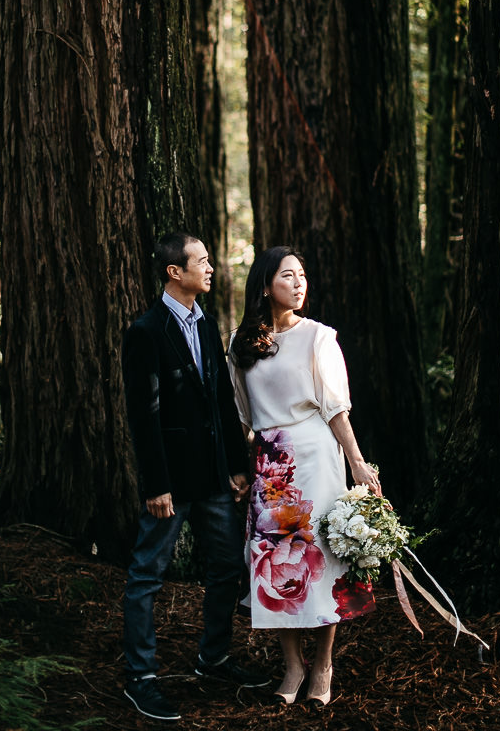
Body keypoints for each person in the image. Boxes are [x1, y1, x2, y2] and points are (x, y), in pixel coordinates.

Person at [122, 231, 269, 721]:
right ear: (174, 273)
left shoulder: (207, 325)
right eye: (201, 262)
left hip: (212, 479)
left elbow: (223, 404)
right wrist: (156, 485)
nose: (210, 268)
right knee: (147, 575)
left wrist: (236, 467)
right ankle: (141, 677)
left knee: (227, 566)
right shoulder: (145, 331)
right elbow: (144, 416)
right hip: (171, 485)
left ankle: (214, 657)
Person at [228, 246, 380, 708]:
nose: (299, 284)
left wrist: (357, 462)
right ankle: (292, 664)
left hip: (316, 457)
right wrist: (239, 465)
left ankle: (323, 663)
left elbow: (336, 407)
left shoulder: (318, 337)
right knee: (274, 564)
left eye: (302, 275)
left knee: (320, 560)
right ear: (265, 285)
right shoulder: (241, 343)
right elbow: (239, 412)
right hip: (270, 464)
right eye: (287, 276)